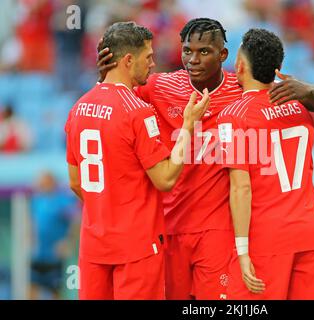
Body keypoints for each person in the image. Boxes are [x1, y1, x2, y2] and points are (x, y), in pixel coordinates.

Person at [97, 17, 314, 300]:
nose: (193, 60)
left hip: (218, 232)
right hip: (171, 225)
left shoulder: (244, 88)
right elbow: (115, 98)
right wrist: (105, 76)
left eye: (204, 52)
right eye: (187, 51)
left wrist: (307, 89)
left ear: (225, 56)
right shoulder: (161, 87)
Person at [65, 21, 210, 300]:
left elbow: (75, 182)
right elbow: (165, 179)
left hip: (94, 246)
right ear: (128, 61)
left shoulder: (78, 108)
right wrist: (189, 125)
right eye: (148, 57)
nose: (153, 64)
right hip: (137, 246)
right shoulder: (138, 112)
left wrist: (108, 207)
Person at [217, 28, 314, 299]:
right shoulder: (299, 105)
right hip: (308, 232)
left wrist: (241, 251)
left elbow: (241, 188)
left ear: (240, 66)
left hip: (266, 238)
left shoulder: (233, 116)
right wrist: (308, 89)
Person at [29, 171, 78, 300]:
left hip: (55, 256)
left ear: (51, 182)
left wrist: (68, 241)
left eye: (44, 180)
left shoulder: (62, 201)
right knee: (32, 288)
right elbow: (34, 222)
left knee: (55, 290)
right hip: (38, 254)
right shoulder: (37, 200)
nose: (40, 183)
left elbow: (76, 220)